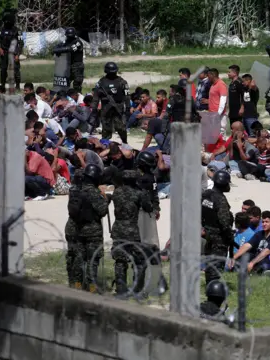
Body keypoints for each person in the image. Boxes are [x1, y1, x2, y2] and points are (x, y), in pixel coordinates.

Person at [66, 164, 110, 292]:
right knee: (93, 261)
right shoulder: (94, 192)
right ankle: (92, 289)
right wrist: (106, 198)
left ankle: (77, 286)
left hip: (78, 231)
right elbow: (102, 211)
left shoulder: (75, 190)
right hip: (93, 233)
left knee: (78, 261)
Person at [111, 170, 153, 298]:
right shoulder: (138, 193)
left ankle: (121, 288)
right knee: (140, 260)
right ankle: (137, 288)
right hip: (131, 230)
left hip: (118, 228)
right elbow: (148, 208)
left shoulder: (116, 192)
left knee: (120, 260)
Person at [201, 170, 234, 284]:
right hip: (219, 238)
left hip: (208, 235)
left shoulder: (206, 195)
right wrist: (230, 237)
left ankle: (209, 285)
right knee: (217, 265)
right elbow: (224, 222)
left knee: (210, 263)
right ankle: (214, 291)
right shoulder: (220, 199)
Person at [91, 62, 130, 143]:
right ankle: (105, 144)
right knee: (106, 128)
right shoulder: (101, 82)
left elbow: (127, 95)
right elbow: (96, 96)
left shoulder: (122, 82)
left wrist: (128, 107)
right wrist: (94, 108)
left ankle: (125, 142)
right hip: (106, 109)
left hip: (118, 108)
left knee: (120, 128)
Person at [52, 27, 84, 92]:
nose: (69, 37)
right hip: (68, 65)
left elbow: (69, 49)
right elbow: (58, 46)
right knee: (65, 83)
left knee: (77, 83)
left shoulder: (78, 42)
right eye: (68, 36)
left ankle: (78, 96)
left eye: (70, 36)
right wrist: (56, 49)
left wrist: (58, 50)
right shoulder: (66, 41)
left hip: (77, 65)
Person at [0, 10, 23, 91]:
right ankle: (3, 86)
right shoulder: (1, 29)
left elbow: (21, 43)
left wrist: (17, 54)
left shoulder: (17, 30)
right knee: (3, 70)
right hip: (4, 52)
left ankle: (18, 86)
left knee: (16, 70)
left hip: (13, 52)